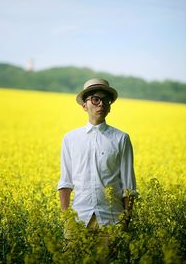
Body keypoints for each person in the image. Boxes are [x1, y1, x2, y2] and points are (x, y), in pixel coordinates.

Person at [57, 78, 136, 260]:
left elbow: (129, 188)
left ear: (110, 106)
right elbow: (65, 183)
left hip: (111, 222)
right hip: (77, 220)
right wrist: (67, 219)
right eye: (95, 99)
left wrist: (123, 225)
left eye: (105, 100)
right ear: (84, 105)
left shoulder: (121, 139)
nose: (101, 104)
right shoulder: (70, 139)